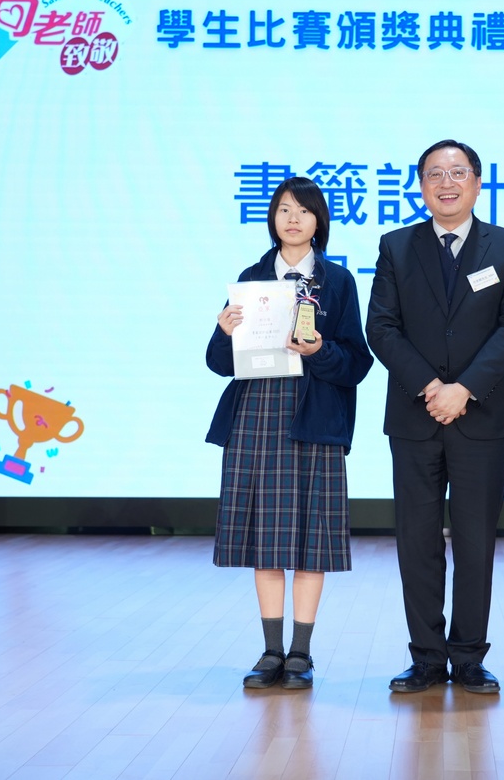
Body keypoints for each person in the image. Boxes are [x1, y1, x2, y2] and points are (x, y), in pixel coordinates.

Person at [366, 139, 504, 694]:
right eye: (434, 173)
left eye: (458, 172)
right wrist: (432, 387)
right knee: (416, 540)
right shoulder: (396, 246)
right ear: (421, 186)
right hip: (415, 415)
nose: (446, 182)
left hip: (482, 415)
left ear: (477, 184)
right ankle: (426, 659)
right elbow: (381, 327)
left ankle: (469, 658)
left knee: (476, 540)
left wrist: (464, 389)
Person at [206, 176, 373, 690]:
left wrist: (319, 350)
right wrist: (223, 331)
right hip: (256, 416)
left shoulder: (337, 281)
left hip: (314, 417)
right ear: (272, 219)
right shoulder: (251, 278)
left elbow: (357, 362)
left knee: (311, 542)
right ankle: (270, 651)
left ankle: (301, 652)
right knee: (265, 541)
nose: (293, 218)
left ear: (319, 220)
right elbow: (219, 364)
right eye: (283, 209)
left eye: (303, 210)